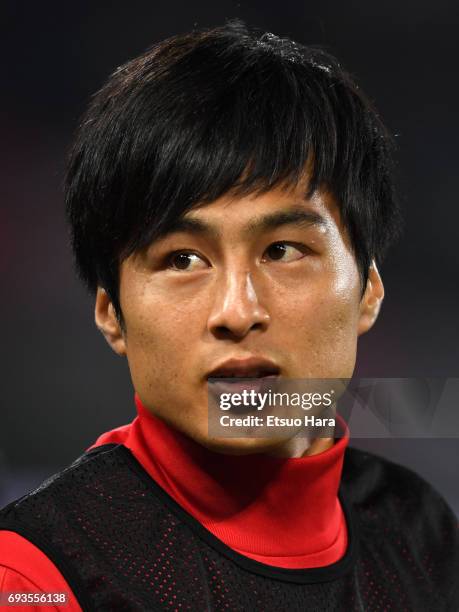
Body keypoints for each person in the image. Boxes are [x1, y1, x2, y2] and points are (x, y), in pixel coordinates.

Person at [0, 21, 457, 611]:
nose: (237, 312)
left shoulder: (423, 534)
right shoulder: (39, 571)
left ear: (367, 290)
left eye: (282, 251)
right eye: (183, 258)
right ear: (112, 313)